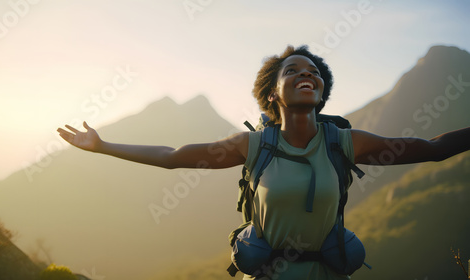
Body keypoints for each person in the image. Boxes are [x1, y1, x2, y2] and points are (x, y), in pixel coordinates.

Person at [57, 45, 470, 279]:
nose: (306, 74)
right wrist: (103, 145)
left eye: (313, 72)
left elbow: (430, 148)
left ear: (321, 91)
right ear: (273, 93)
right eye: (293, 71)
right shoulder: (253, 146)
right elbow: (173, 157)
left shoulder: (345, 142)